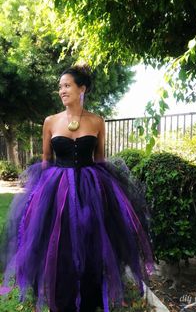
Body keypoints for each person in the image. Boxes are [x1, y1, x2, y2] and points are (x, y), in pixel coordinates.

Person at [0, 64, 154, 312]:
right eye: (60, 86)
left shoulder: (96, 121)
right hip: (56, 191)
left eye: (67, 85)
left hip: (91, 191)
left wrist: (107, 195)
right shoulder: (50, 122)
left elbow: (101, 159)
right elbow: (46, 160)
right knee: (60, 249)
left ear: (82, 88)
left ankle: (90, 303)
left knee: (93, 248)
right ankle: (61, 304)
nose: (62, 90)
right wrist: (41, 196)